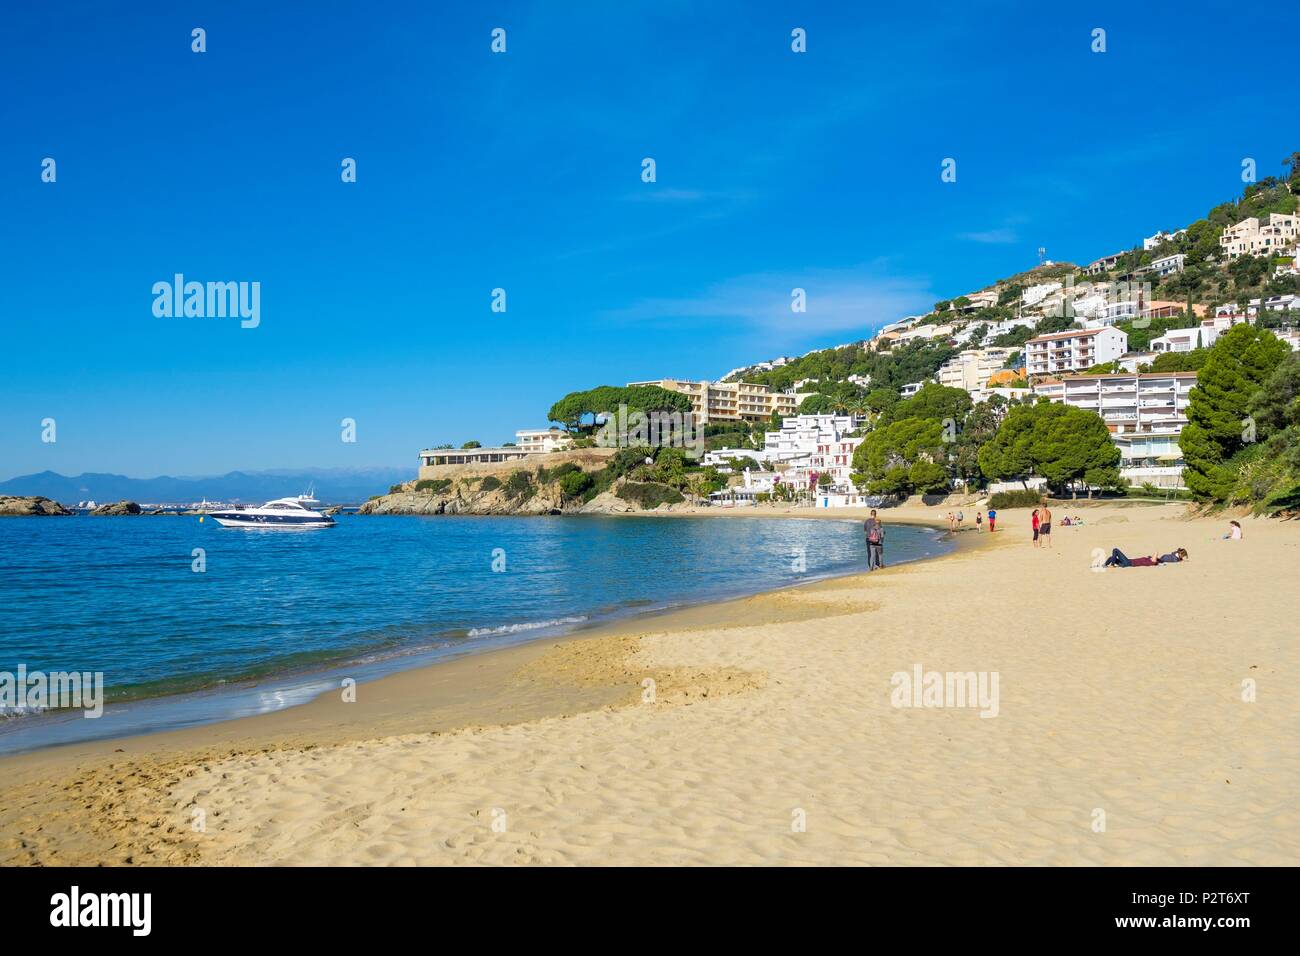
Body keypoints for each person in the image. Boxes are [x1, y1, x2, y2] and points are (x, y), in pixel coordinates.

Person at [1103, 547, 1188, 568]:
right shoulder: (1151, 560)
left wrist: (1156, 559)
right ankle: (1104, 565)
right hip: (1127, 562)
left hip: (1129, 563)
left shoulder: (1152, 562)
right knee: (1111, 557)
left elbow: (1156, 552)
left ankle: (1112, 565)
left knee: (1115, 550)